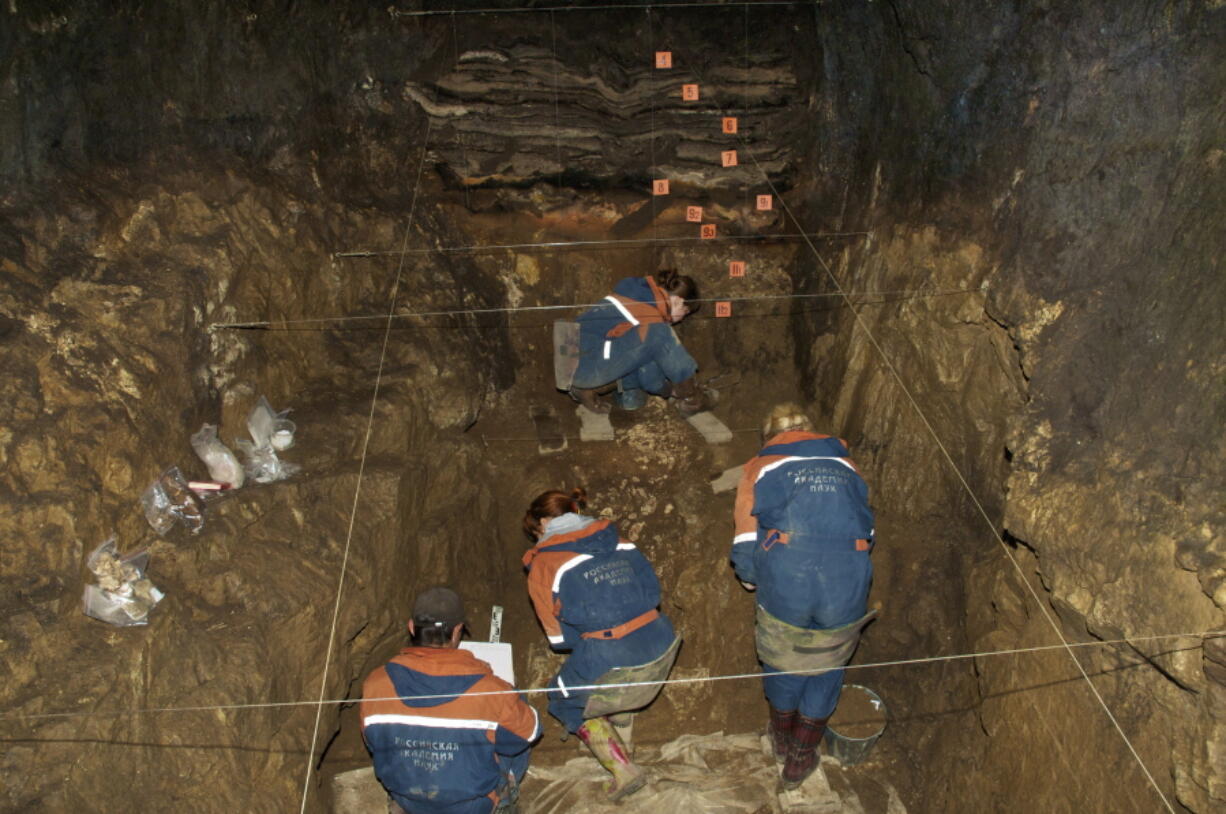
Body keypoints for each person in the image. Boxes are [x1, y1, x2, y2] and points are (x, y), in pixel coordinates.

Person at [730, 403, 876, 789]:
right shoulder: (848, 466)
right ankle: (801, 756)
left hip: (789, 573)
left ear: (769, 437)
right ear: (812, 432)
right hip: (848, 572)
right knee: (828, 659)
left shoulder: (759, 467)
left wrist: (750, 575)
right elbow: (867, 526)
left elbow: (746, 537)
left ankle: (781, 739)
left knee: (784, 655)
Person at [521, 488, 677, 801]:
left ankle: (623, 769)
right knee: (608, 662)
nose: (538, 538)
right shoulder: (618, 538)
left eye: (536, 531)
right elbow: (652, 593)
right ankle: (621, 715)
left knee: (562, 696)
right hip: (662, 637)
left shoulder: (543, 564)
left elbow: (559, 640)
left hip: (611, 651)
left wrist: (593, 630)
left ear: (544, 522)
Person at [361, 587, 540, 814]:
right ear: (457, 631)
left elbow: (372, 742)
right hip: (473, 806)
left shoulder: (376, 683)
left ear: (411, 627)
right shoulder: (490, 691)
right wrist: (507, 696)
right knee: (514, 719)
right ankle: (503, 801)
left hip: (409, 800)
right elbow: (530, 732)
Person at [568, 269, 708, 415]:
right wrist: (684, 388)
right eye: (685, 312)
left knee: (649, 343)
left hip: (578, 359)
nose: (682, 318)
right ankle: (693, 399)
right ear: (678, 300)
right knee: (659, 334)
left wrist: (668, 390)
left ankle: (586, 389)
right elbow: (659, 363)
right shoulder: (651, 319)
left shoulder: (639, 296)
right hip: (586, 364)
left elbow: (647, 371)